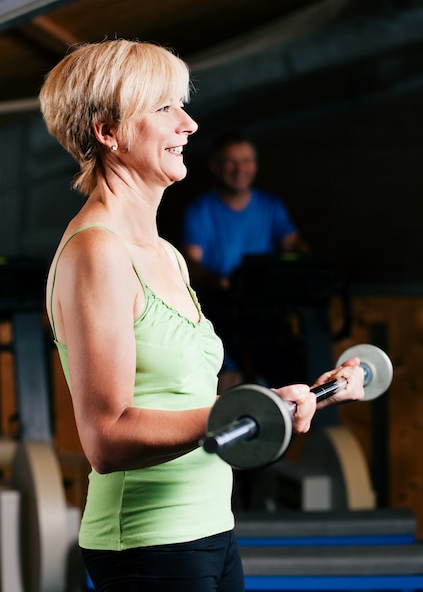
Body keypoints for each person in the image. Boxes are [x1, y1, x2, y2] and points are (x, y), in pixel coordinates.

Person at [39, 39, 364, 592]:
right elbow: (107, 438)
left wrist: (290, 399)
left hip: (212, 526)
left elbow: (187, 400)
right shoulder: (97, 252)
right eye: (164, 108)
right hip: (147, 542)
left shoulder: (164, 254)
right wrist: (249, 408)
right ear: (107, 131)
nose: (188, 124)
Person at [183, 133, 309, 389]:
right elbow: (191, 263)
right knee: (227, 376)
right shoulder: (200, 211)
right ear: (216, 167)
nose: (240, 169)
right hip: (219, 308)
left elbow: (294, 243)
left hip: (263, 306)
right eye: (231, 162)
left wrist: (308, 262)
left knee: (289, 369)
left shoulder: (270, 206)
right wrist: (218, 281)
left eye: (247, 161)